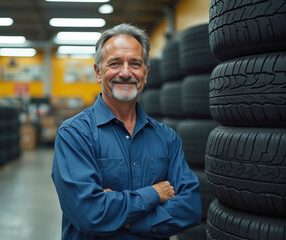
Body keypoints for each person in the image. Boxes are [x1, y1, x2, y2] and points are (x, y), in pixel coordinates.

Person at [52, 23, 201, 240]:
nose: (125, 72)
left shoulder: (166, 138)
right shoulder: (74, 134)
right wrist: (154, 194)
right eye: (114, 63)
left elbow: (191, 207)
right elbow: (89, 214)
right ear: (98, 72)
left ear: (146, 73)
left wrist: (128, 221)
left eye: (135, 64)